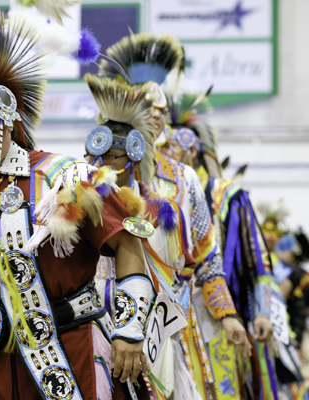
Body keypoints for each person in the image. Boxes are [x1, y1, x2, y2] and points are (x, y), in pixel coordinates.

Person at [0, 10, 156, 400]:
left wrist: (130, 331)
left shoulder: (64, 176)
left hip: (64, 355)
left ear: (7, 118)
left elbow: (127, 244)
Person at [99, 32, 251, 400]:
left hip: (169, 320)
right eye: (146, 106)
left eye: (161, 109)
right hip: (106, 317)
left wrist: (227, 314)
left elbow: (206, 252)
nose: (155, 114)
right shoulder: (96, 172)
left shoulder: (183, 178)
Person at [82, 76, 202, 400]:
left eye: (113, 157)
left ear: (134, 157)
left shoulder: (163, 212)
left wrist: (157, 330)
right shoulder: (77, 205)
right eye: (97, 156)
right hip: (89, 332)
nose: (103, 165)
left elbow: (184, 270)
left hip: (151, 337)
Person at [164, 89, 283, 399]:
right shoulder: (157, 192)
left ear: (192, 150)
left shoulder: (227, 196)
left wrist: (263, 312)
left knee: (221, 387)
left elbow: (259, 261)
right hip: (169, 313)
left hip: (216, 309)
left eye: (173, 146)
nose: (166, 153)